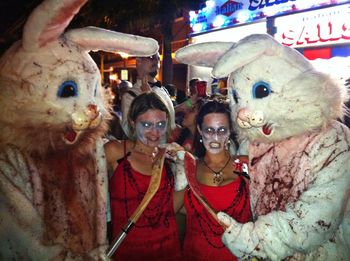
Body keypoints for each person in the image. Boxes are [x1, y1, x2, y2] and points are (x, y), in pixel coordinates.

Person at [105, 92, 185, 260]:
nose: (155, 132)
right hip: (128, 251)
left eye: (161, 124)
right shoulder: (116, 152)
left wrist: (186, 171)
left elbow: (167, 208)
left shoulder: (168, 156)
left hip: (168, 250)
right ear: (133, 124)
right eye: (147, 125)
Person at [182, 99, 252, 261]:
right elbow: (173, 212)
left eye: (222, 130)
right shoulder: (188, 167)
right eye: (209, 130)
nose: (215, 137)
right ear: (199, 130)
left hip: (237, 256)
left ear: (230, 131)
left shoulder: (245, 165)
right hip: (195, 254)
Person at [121, 52, 176, 138]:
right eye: (151, 57)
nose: (156, 61)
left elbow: (167, 115)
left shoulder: (162, 89)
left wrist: (186, 105)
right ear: (138, 61)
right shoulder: (130, 96)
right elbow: (128, 131)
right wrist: (147, 98)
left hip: (170, 147)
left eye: (158, 58)